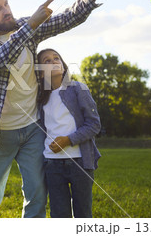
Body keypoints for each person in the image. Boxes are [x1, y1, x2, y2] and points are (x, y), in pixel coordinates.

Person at [0, 0, 106, 218]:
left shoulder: (25, 27)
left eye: (6, 4)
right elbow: (1, 59)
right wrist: (30, 26)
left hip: (32, 129)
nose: (6, 11)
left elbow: (66, 20)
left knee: (37, 197)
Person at [37, 49, 101, 218]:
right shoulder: (40, 98)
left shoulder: (78, 89)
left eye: (56, 58)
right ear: (41, 73)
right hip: (52, 163)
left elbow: (94, 124)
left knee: (83, 213)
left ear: (63, 66)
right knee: (59, 214)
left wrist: (68, 140)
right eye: (47, 61)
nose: (54, 61)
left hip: (80, 162)